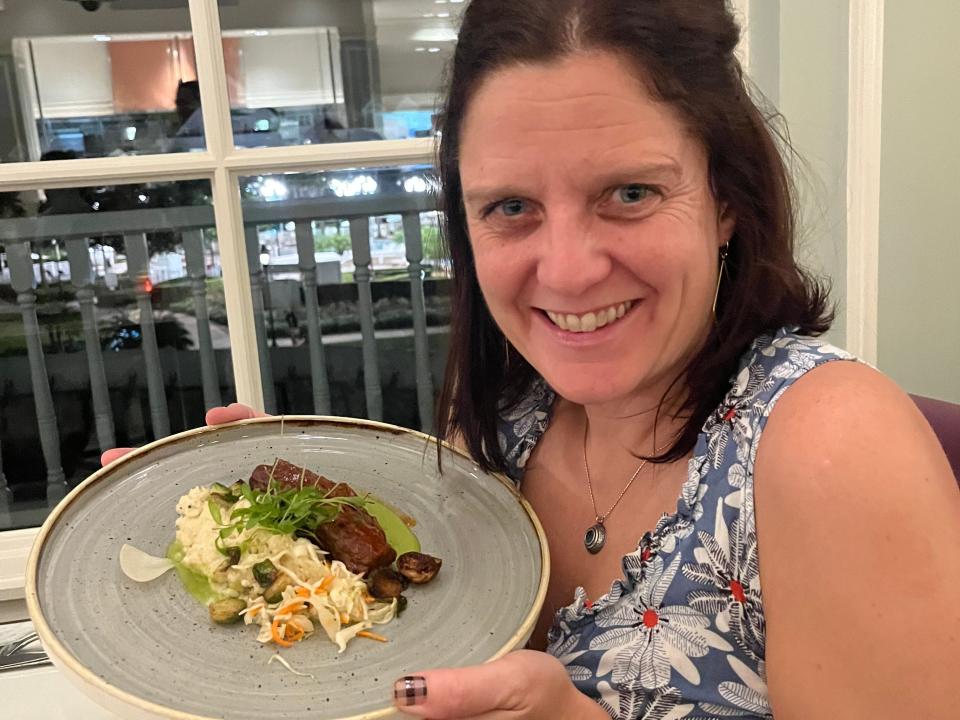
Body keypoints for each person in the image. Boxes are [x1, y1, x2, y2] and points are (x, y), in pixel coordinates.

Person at [104, 1, 960, 717]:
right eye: (510, 205)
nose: (569, 269)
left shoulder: (831, 447)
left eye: (630, 193)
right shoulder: (507, 421)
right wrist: (280, 538)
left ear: (727, 203)